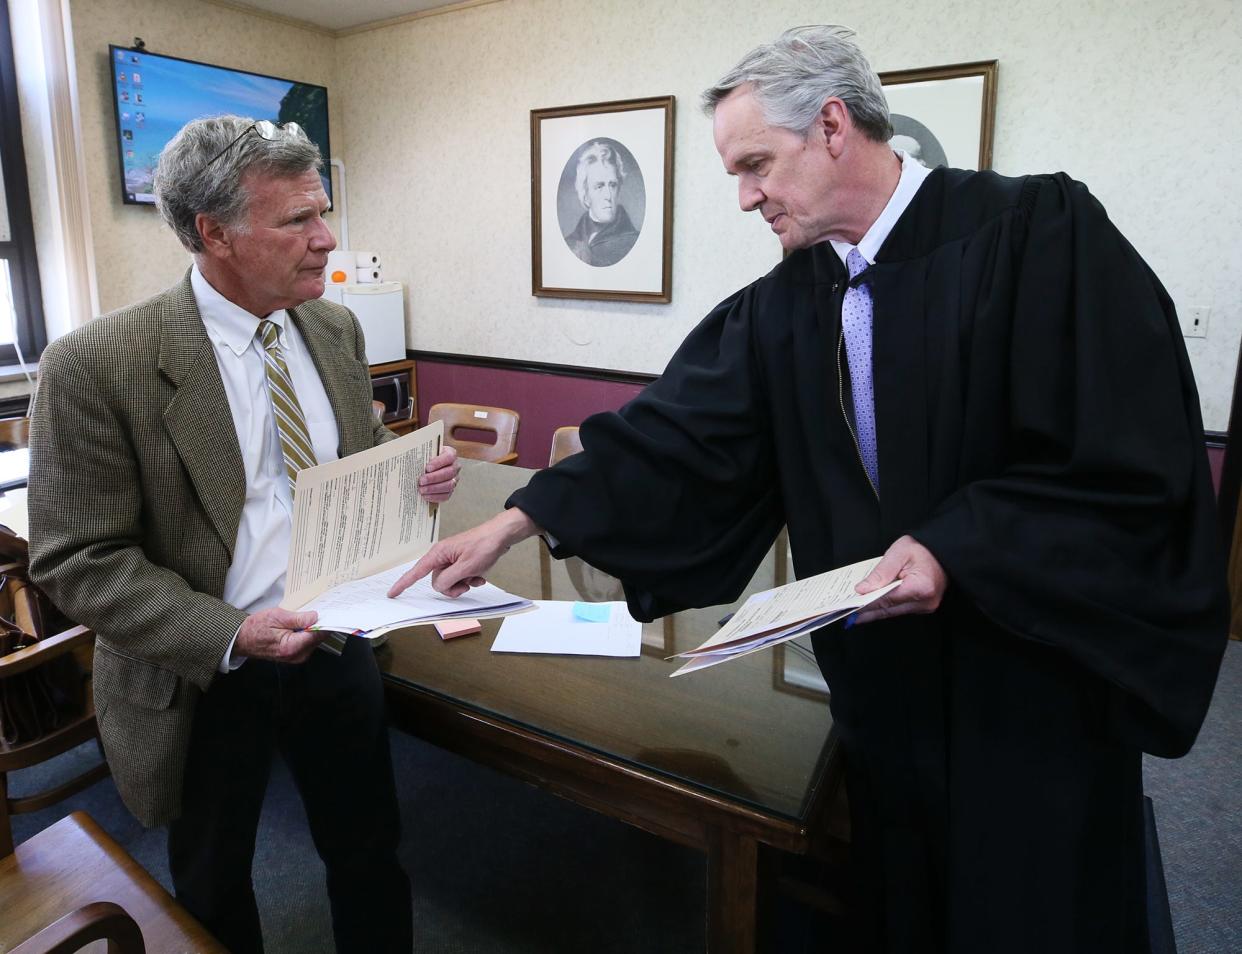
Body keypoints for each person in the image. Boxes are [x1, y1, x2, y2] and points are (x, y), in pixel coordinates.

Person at [389, 26, 1229, 954]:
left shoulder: (1038, 236)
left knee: (1029, 905)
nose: (745, 196)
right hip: (884, 682)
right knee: (902, 891)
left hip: (1019, 679)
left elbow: (1126, 458)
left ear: (833, 126)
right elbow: (675, 435)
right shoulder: (791, 301)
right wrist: (517, 518)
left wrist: (957, 545)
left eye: (756, 164)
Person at [27, 115, 459, 954]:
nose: (325, 239)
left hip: (337, 645)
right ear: (211, 232)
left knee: (369, 850)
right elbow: (78, 559)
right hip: (203, 670)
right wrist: (231, 634)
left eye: (323, 212)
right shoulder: (95, 363)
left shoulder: (332, 329)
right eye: (296, 220)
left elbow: (349, 454)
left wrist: (405, 473)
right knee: (213, 880)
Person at [563, 140, 640, 266]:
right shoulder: (570, 243)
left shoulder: (633, 242)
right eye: (599, 186)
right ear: (585, 194)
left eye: (613, 185)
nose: (608, 196)